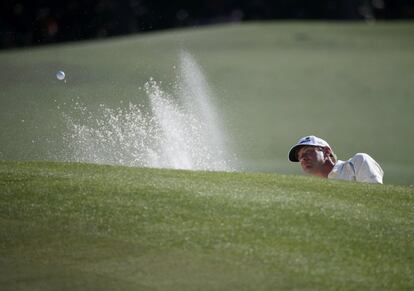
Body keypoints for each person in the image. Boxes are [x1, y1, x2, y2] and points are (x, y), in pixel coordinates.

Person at [288, 135, 384, 184]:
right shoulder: (313, 190)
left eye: (308, 151)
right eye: (299, 156)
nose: (302, 158)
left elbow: (375, 197)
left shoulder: (357, 163)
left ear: (326, 152)